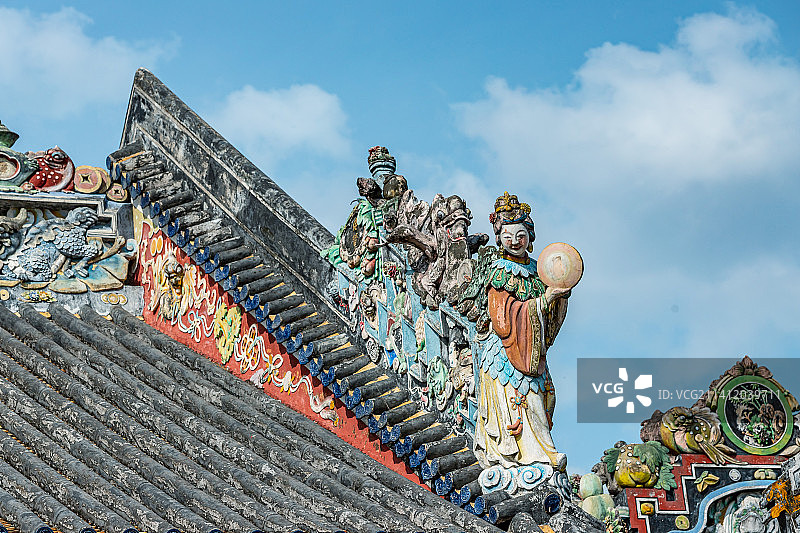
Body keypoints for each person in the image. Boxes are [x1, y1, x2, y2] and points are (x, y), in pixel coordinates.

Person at [474, 192, 570, 470]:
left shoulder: (538, 269)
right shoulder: (499, 270)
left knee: (543, 397)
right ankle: (533, 455)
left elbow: (548, 315)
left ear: (530, 235)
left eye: (521, 235)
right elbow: (502, 314)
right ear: (499, 238)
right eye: (507, 236)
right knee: (521, 401)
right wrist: (544, 301)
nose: (515, 241)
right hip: (507, 351)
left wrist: (559, 298)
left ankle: (543, 450)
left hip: (531, 349)